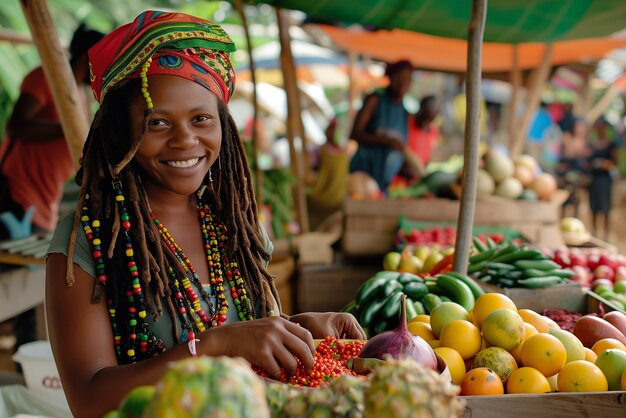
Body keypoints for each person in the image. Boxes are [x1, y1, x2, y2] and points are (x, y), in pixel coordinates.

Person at [45, 11, 364, 417]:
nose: (185, 140)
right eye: (157, 122)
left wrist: (298, 327)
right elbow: (89, 402)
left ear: (223, 127)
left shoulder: (235, 225)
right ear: (121, 132)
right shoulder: (89, 240)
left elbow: (246, 328)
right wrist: (212, 345)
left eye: (201, 119)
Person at [0, 23, 104, 357]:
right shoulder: (48, 79)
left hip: (41, 203)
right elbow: (18, 123)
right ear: (88, 57)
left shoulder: (77, 95)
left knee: (31, 295)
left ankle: (26, 363)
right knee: (15, 287)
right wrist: (65, 127)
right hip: (15, 197)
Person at [348, 59, 413, 190]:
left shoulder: (405, 113)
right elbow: (355, 134)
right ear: (390, 77)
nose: (402, 82)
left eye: (407, 79)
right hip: (362, 176)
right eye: (399, 77)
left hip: (384, 183)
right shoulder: (375, 100)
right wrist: (386, 141)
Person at [588, 118, 620, 241]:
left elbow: (615, 163)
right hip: (594, 179)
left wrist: (603, 164)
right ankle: (594, 234)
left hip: (605, 179)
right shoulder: (592, 144)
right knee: (594, 207)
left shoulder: (612, 144)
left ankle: (606, 235)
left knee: (605, 207)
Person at [555, 118, 590, 219]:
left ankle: (575, 219)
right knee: (564, 199)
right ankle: (562, 218)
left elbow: (586, 160)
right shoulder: (567, 140)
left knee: (576, 200)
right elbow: (563, 158)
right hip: (567, 174)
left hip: (578, 176)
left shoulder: (585, 143)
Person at [404, 95, 441, 179]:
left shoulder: (434, 131)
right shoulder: (406, 121)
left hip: (417, 178)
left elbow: (430, 154)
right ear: (420, 108)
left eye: (429, 119)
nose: (425, 123)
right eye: (423, 117)